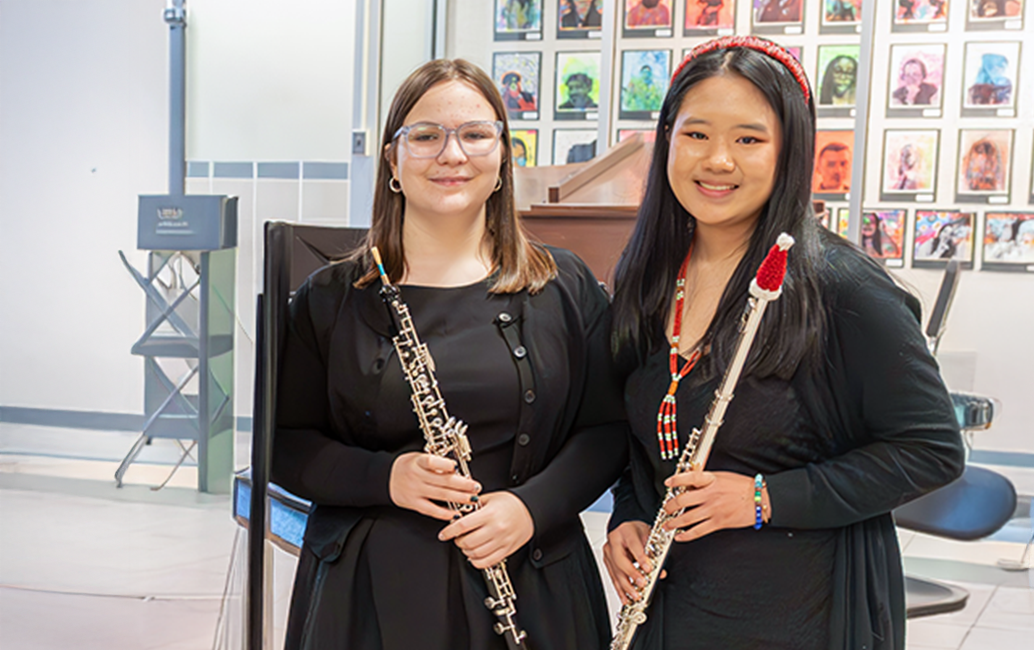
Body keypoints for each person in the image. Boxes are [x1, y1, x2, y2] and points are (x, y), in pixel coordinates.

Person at [603, 36, 964, 650]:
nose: (718, 160)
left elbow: (930, 450)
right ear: (666, 140)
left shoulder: (842, 287)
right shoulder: (651, 278)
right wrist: (629, 515)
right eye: (696, 134)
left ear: (789, 151)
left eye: (748, 139)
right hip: (675, 610)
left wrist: (766, 498)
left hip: (802, 614)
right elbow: (644, 440)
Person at [272, 58, 626, 650]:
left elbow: (607, 430)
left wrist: (530, 507)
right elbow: (285, 446)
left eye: (475, 134)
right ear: (392, 159)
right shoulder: (330, 298)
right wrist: (387, 477)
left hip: (532, 575)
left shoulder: (562, 286)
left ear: (504, 154)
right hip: (370, 595)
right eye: (427, 135)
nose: (452, 155)